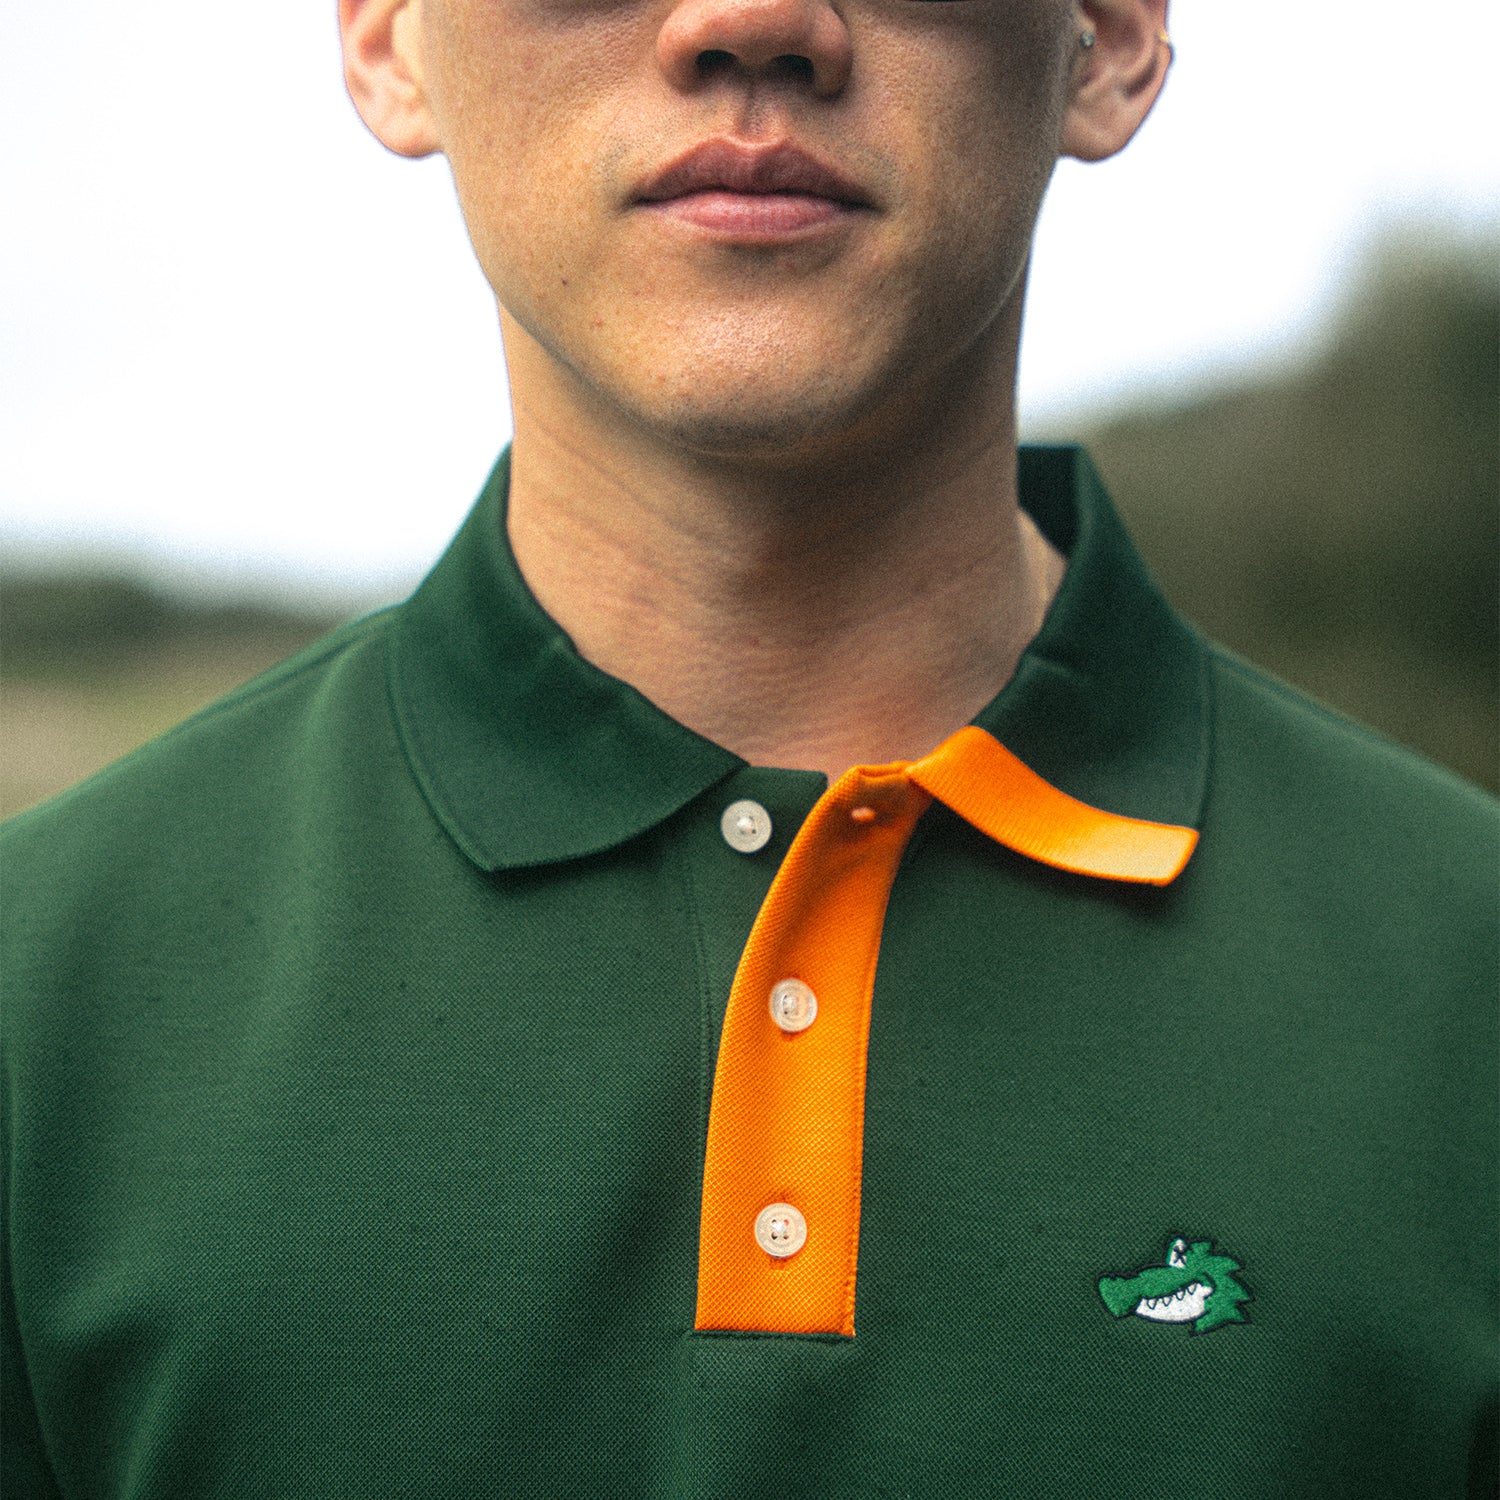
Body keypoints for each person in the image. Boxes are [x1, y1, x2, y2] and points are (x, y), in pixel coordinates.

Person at [3, 0, 1495, 1493]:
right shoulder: (32, 1003)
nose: (750, 19)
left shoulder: (1466, 988)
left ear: (1104, 36)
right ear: (391, 38)